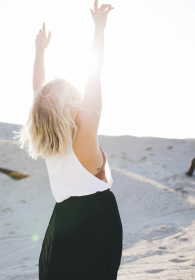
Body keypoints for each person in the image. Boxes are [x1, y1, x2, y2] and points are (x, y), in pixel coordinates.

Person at [14, 1, 123, 279]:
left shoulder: (52, 143)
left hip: (63, 220)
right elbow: (94, 74)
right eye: (76, 93)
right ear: (71, 101)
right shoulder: (85, 128)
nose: (80, 97)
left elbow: (38, 90)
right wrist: (99, 29)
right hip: (98, 218)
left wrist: (39, 51)